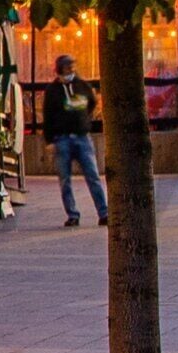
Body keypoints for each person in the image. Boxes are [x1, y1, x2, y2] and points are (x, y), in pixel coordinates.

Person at [39, 56, 108, 228]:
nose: (70, 70)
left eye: (72, 67)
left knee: (93, 176)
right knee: (65, 179)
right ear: (60, 69)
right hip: (62, 138)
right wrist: (49, 140)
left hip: (82, 136)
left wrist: (84, 120)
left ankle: (104, 213)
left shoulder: (82, 85)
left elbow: (92, 102)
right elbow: (47, 116)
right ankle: (72, 214)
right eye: (67, 68)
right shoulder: (53, 91)